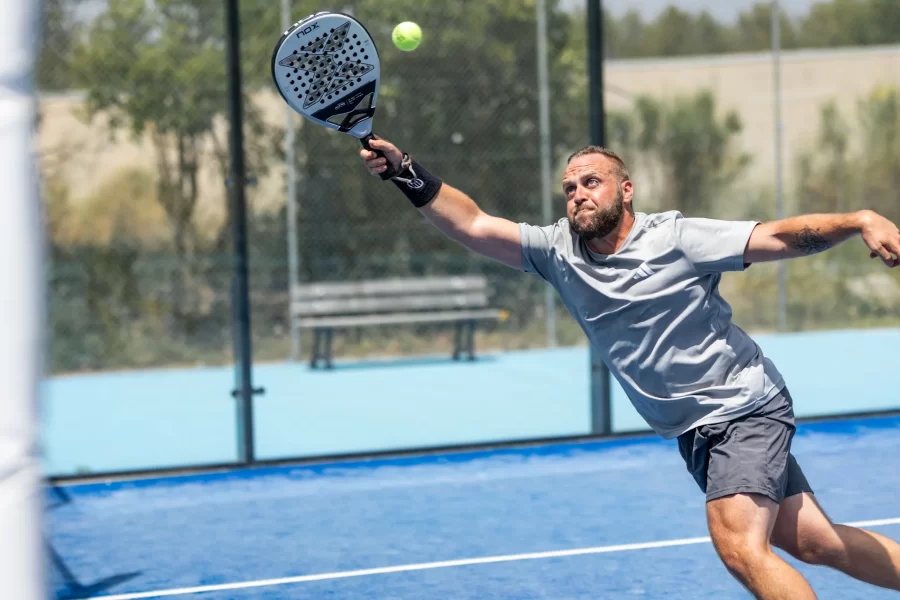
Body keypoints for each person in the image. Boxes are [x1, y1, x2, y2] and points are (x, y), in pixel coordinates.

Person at [359, 136, 900, 599]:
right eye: (570, 188)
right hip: (695, 430)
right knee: (814, 542)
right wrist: (408, 172)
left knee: (739, 545)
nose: (578, 195)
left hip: (742, 408)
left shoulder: (674, 238)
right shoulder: (556, 252)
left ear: (625, 190)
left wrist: (860, 220)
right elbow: (473, 223)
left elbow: (780, 236)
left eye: (591, 182)